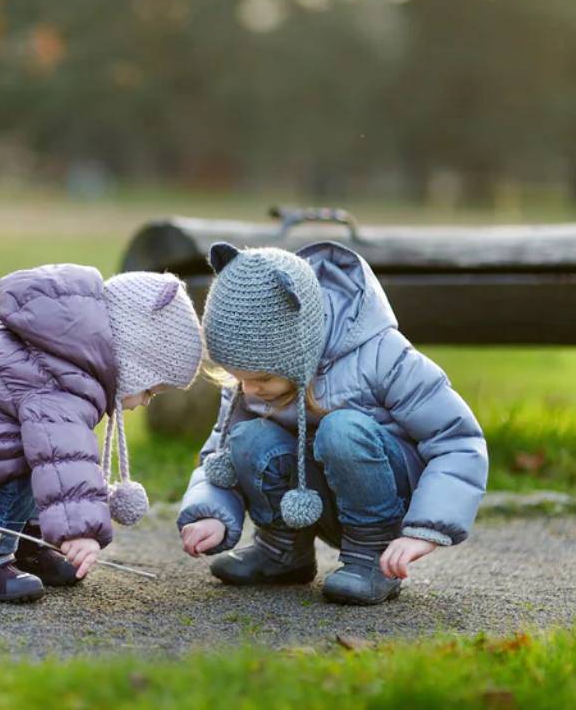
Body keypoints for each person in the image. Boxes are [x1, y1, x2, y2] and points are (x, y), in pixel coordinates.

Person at [177, 241, 487, 605]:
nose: (249, 389)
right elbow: (220, 455)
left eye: (261, 378)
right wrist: (211, 513)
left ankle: (369, 558)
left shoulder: (381, 355)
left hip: (382, 495)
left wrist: (428, 528)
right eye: (238, 377)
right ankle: (282, 550)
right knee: (247, 437)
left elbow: (457, 440)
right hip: (314, 498)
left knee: (342, 431)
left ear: (301, 347)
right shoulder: (252, 382)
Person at [0, 264, 203, 602]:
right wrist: (80, 532)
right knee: (31, 451)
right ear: (131, 361)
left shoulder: (63, 347)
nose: (145, 402)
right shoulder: (62, 378)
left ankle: (28, 545)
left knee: (32, 445)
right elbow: (63, 455)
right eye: (150, 390)